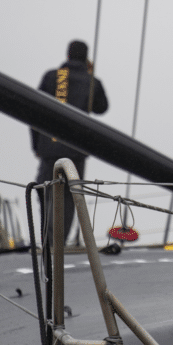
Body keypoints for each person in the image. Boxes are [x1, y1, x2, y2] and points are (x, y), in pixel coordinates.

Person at [32, 40, 109, 242]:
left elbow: (34, 113)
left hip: (49, 149)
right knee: (69, 197)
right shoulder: (91, 81)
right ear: (86, 58)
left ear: (67, 55)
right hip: (76, 151)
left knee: (46, 192)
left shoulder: (52, 77)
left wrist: (37, 145)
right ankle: (59, 244)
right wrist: (90, 76)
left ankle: (47, 242)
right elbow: (102, 107)